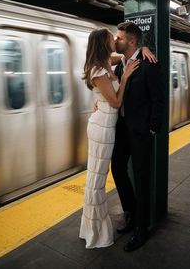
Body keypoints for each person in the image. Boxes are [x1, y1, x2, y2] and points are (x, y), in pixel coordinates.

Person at [79, 28, 140, 249]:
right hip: (102, 128)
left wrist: (143, 48)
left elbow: (126, 54)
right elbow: (115, 102)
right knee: (97, 180)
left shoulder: (105, 60)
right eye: (111, 39)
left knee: (97, 177)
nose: (115, 40)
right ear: (104, 44)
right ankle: (94, 231)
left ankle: (90, 227)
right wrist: (123, 78)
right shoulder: (98, 70)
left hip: (105, 124)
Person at [111, 21, 165, 252]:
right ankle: (131, 213)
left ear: (132, 41)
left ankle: (142, 229)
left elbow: (158, 100)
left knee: (142, 178)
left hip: (141, 131)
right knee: (118, 168)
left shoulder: (148, 65)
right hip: (122, 128)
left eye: (120, 38)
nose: (116, 40)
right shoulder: (120, 65)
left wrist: (152, 128)